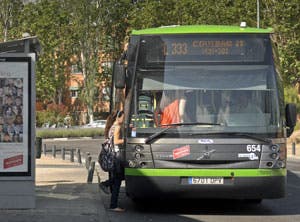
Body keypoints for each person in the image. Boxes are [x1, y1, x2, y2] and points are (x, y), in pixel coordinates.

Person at [100, 110, 125, 212]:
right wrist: (126, 140)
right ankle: (113, 205)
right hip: (116, 157)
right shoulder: (117, 127)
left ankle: (106, 184)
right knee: (118, 180)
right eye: (123, 117)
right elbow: (116, 141)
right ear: (118, 117)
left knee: (117, 179)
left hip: (112, 156)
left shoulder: (112, 127)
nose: (124, 120)